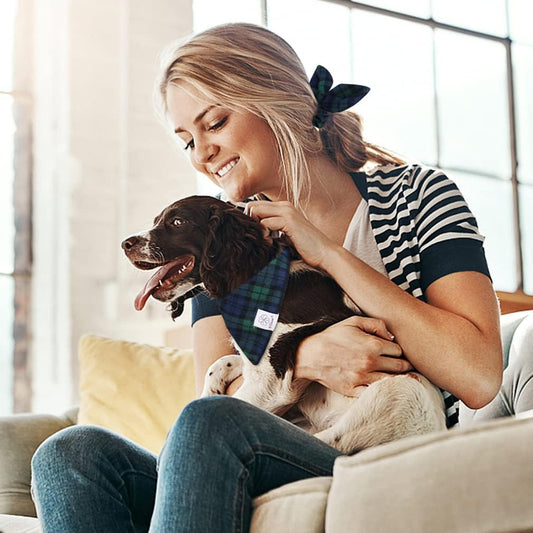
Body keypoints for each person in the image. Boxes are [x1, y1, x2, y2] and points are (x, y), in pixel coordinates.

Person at [32, 22, 506, 533]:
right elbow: (219, 396)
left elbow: (478, 376)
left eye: (214, 123)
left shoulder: (416, 196)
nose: (201, 153)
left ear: (275, 98)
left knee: (210, 427)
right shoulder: (226, 239)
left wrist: (328, 254)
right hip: (249, 459)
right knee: (71, 454)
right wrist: (305, 357)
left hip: (381, 458)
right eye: (186, 141)